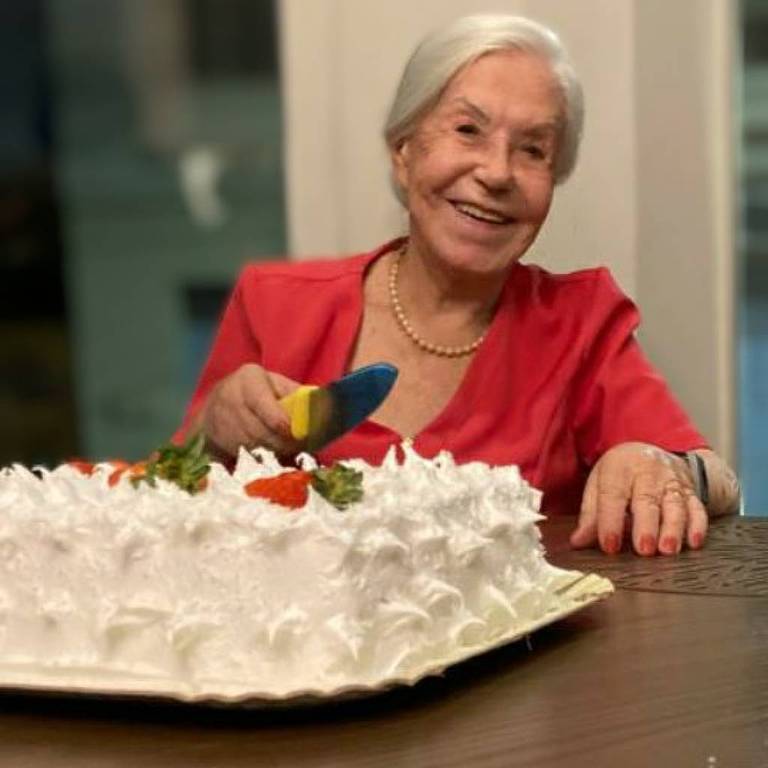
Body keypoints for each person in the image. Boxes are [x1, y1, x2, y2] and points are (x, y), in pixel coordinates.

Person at [175, 14, 741, 556]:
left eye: (533, 150)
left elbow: (719, 480)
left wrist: (663, 465)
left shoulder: (579, 321)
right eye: (468, 130)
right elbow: (165, 497)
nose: (496, 172)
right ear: (404, 152)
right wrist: (213, 429)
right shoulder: (276, 303)